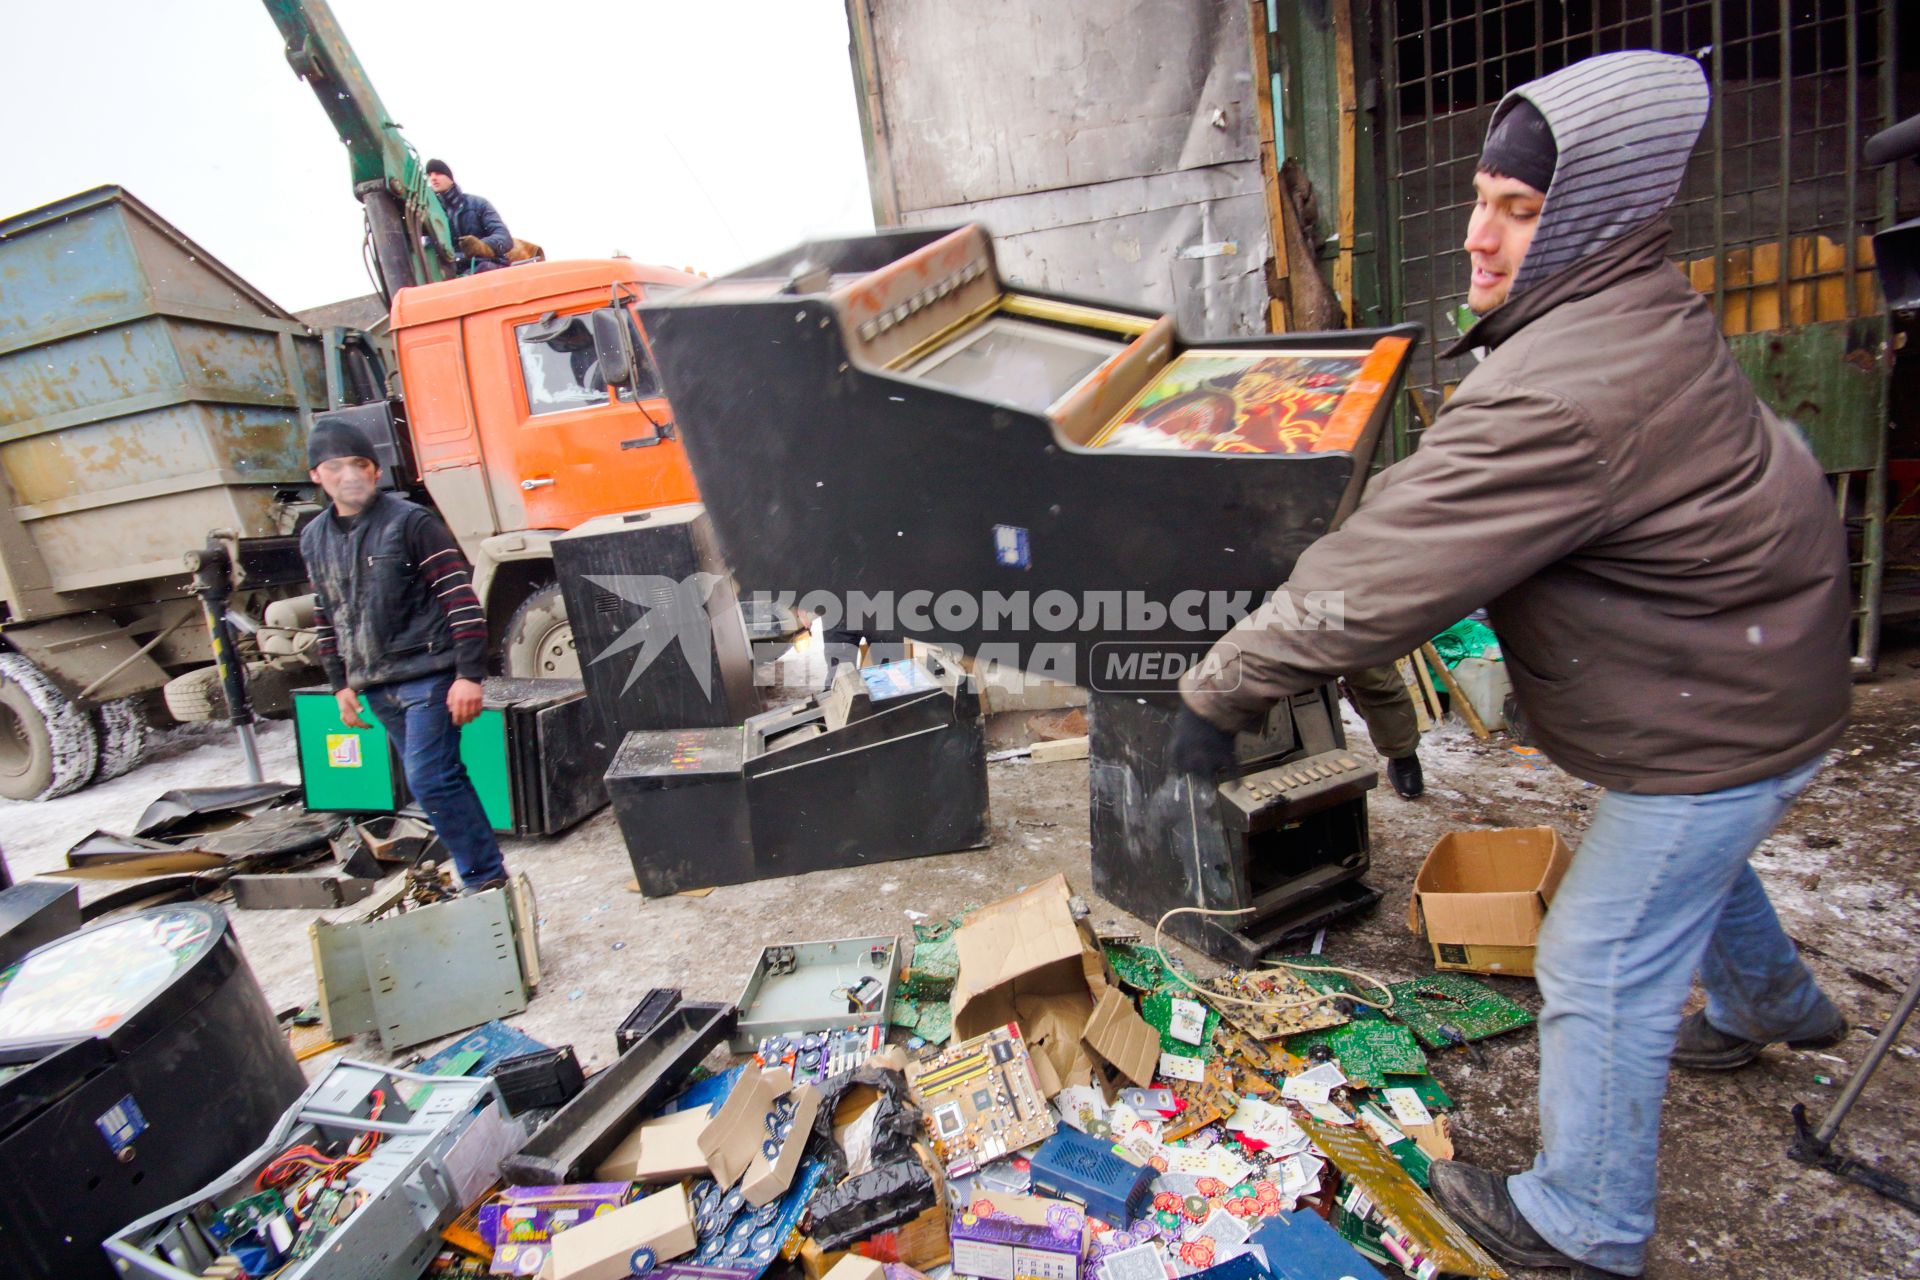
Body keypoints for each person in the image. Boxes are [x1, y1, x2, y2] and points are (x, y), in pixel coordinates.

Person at [1170, 50, 1849, 1279]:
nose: (1479, 237)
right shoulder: (1631, 301)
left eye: (1520, 210)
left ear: (1586, 216)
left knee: (1598, 946)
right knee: (1689, 859)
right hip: (1757, 668)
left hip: (1722, 704)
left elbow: (1381, 571)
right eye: (1480, 197)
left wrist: (1221, 689)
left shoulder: (1555, 392)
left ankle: (1585, 1218)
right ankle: (1776, 1007)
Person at [301, 419, 509, 894]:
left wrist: (468, 674)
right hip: (377, 686)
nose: (349, 475)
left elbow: (461, 598)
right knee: (437, 779)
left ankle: (485, 880)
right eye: (335, 466)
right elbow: (326, 613)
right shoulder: (313, 538)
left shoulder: (411, 523)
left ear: (376, 471)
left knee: (431, 779)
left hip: (429, 676)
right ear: (317, 475)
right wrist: (340, 684)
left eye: (360, 464)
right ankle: (484, 873)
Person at [425, 159, 513, 274]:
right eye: (429, 175)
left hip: (485, 267)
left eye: (438, 173)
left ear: (450, 178)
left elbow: (504, 238)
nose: (433, 178)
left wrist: (483, 246)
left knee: (484, 269)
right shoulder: (430, 216)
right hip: (452, 273)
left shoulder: (477, 204)